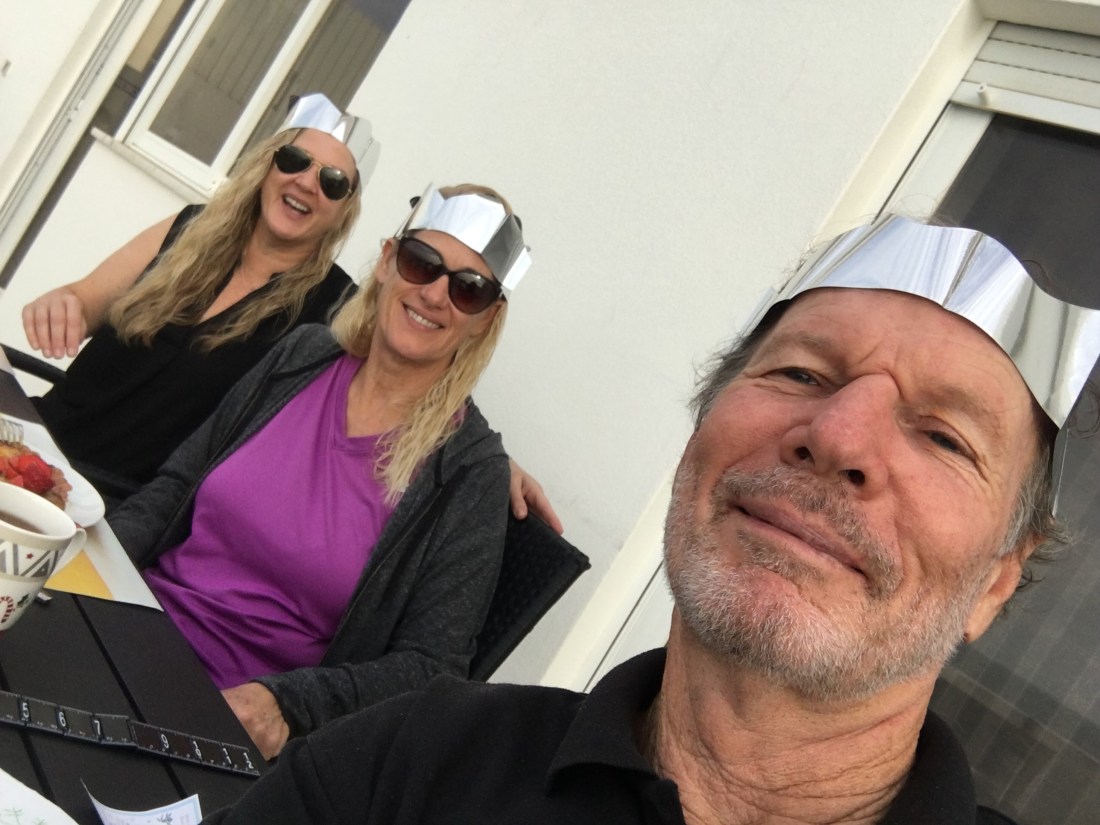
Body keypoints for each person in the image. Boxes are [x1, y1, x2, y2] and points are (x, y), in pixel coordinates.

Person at [200, 215, 1100, 824]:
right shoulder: (411, 763)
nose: (837, 436)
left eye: (943, 436)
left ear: (997, 582)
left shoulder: (465, 465)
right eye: (799, 373)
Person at [110, 183, 536, 760]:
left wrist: (287, 704)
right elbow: (175, 486)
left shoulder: (466, 473)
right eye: (421, 262)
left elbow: (431, 668)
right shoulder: (302, 357)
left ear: (486, 319)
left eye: (469, 289)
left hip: (232, 720)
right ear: (387, 260)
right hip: (129, 628)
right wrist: (88, 563)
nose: (436, 294)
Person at [21, 93, 376, 504]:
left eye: (332, 181)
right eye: (295, 160)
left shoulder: (336, 310)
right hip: (33, 450)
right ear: (269, 164)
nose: (307, 183)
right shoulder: (191, 226)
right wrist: (62, 304)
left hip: (116, 508)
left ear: (345, 210)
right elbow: (84, 300)